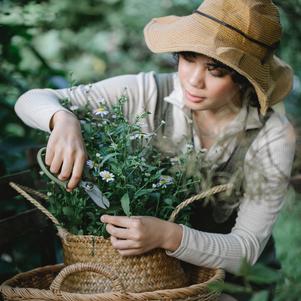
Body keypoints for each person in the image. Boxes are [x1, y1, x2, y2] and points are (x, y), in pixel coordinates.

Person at [15, 0, 295, 300]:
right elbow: (31, 100)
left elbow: (246, 250)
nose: (192, 80)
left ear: (244, 79)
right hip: (148, 281)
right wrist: (63, 119)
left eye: (216, 70)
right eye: (188, 58)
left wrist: (166, 235)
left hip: (232, 287)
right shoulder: (148, 93)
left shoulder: (272, 135)